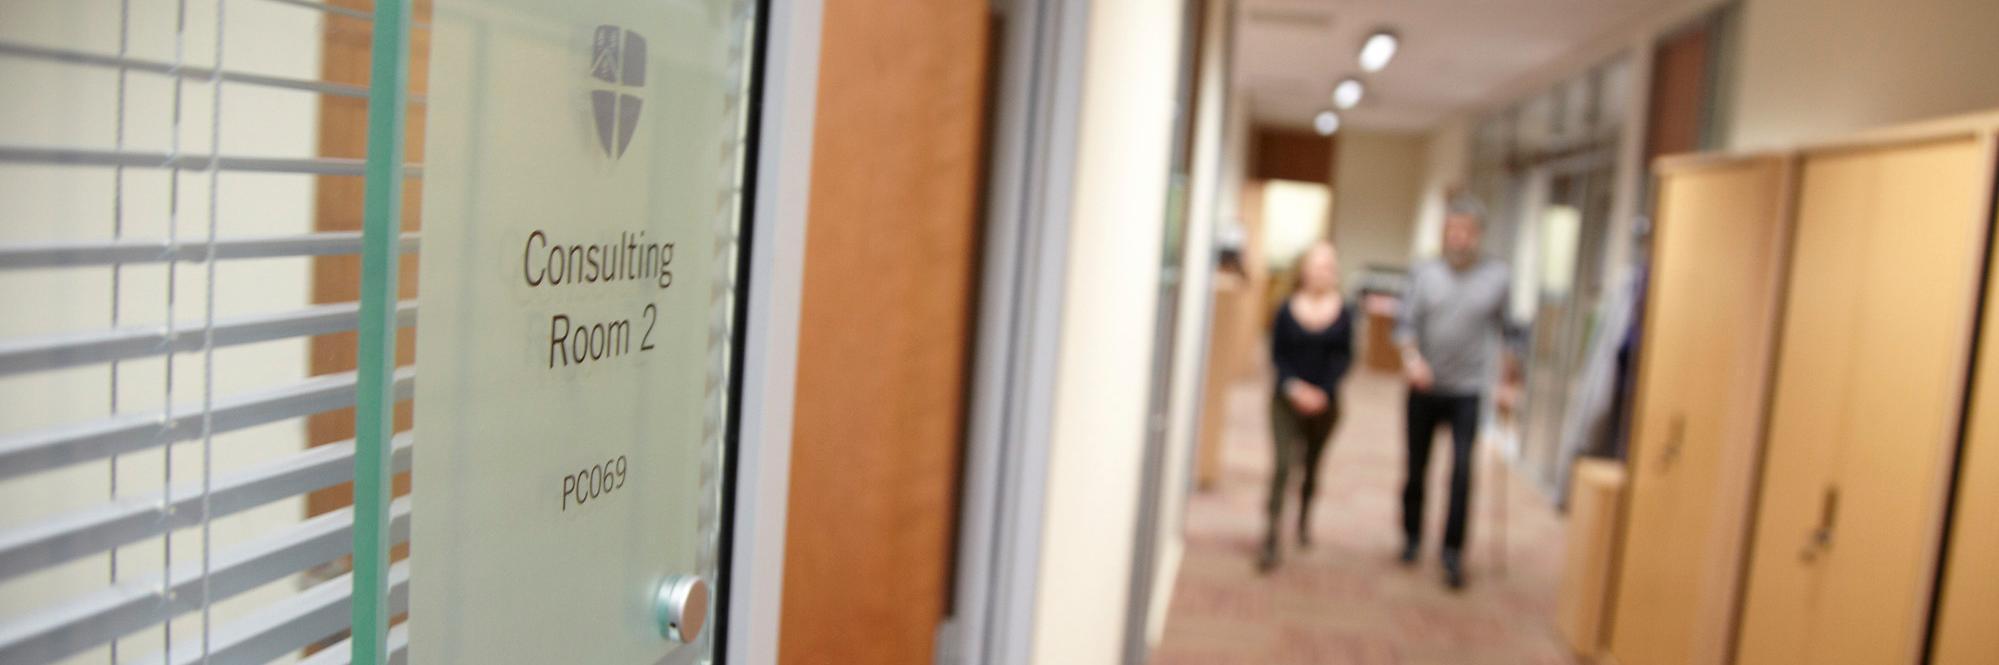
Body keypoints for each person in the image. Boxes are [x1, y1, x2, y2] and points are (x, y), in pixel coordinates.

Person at [1395, 208, 1511, 590]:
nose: (1459, 237)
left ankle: (1452, 552)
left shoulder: (1497, 278)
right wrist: (1413, 362)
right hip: (1423, 386)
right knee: (1417, 468)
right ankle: (1412, 538)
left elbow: (1510, 332)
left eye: (1466, 230)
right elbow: (1405, 325)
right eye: (1452, 229)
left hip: (1468, 390)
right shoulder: (1424, 273)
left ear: (1478, 234)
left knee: (1462, 471)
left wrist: (1510, 380)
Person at [1260, 241, 1357, 573]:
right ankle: (1272, 533)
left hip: (1325, 405)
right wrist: (1296, 388)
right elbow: (1277, 357)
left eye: (1329, 267)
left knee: (1312, 465)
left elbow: (1344, 359)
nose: (1323, 272)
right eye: (1317, 265)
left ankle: (1303, 521)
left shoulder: (1344, 313)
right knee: (1284, 464)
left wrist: (1322, 393)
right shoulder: (1285, 309)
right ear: (1303, 269)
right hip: (1286, 400)